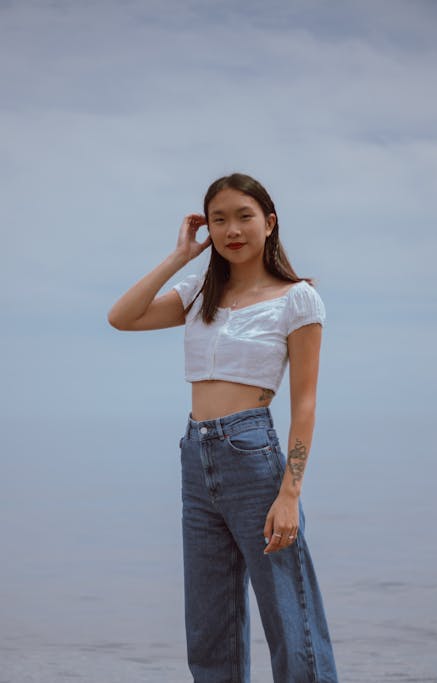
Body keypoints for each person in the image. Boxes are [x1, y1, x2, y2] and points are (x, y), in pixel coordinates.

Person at [107, 172, 339, 683]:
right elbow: (121, 317)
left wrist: (290, 494)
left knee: (288, 612)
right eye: (219, 220)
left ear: (270, 223)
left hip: (253, 452)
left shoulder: (298, 299)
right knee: (209, 622)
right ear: (206, 229)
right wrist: (179, 256)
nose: (232, 230)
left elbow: (304, 403)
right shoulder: (197, 294)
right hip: (197, 453)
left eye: (244, 216)